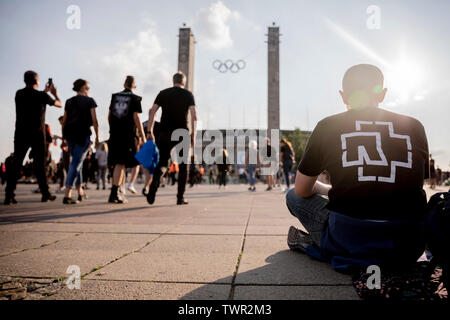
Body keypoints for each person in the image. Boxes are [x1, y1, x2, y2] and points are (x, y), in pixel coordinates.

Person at [286, 64, 429, 271]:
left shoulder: (328, 126)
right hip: (407, 243)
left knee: (292, 196)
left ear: (343, 96)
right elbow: (414, 183)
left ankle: (325, 242)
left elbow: (301, 190)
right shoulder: (414, 126)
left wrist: (320, 188)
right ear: (383, 94)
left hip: (349, 238)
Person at [4, 71, 62, 205]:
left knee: (16, 164)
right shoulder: (42, 96)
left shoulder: (19, 94)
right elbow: (59, 104)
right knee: (39, 166)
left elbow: (32, 98)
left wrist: (44, 93)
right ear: (37, 81)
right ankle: (45, 194)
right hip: (37, 135)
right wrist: (53, 93)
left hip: (20, 133)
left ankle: (9, 195)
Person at [146, 72, 197, 205]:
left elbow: (152, 111)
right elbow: (194, 116)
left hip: (165, 132)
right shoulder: (188, 95)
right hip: (182, 133)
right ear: (184, 82)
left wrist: (149, 130)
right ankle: (180, 197)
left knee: (163, 162)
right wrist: (193, 136)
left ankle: (155, 183)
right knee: (183, 166)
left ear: (173, 81)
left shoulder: (163, 93)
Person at [108, 75, 146, 204]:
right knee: (121, 163)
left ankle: (118, 191)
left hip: (115, 133)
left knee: (119, 163)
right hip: (127, 134)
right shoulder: (135, 98)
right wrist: (142, 135)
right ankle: (114, 193)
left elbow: (109, 115)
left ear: (124, 84)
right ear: (134, 85)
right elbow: (136, 117)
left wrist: (112, 129)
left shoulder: (114, 96)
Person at [62, 79, 99, 204]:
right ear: (83, 87)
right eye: (87, 87)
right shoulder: (90, 101)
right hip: (83, 134)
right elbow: (94, 119)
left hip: (70, 134)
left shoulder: (69, 101)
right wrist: (98, 136)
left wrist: (63, 137)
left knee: (78, 163)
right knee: (76, 163)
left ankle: (80, 192)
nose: (89, 89)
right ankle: (67, 194)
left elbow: (64, 120)